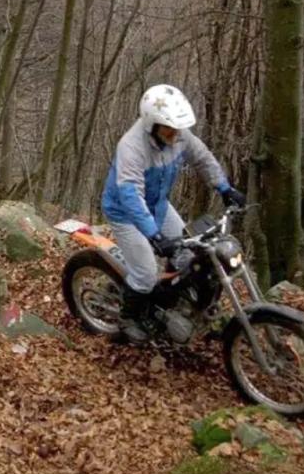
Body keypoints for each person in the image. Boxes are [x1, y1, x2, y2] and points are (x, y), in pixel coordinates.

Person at [101, 84, 246, 344]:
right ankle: (128, 319)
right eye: (168, 127)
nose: (174, 133)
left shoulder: (179, 138)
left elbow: (202, 158)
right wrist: (154, 236)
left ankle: (169, 302)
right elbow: (131, 196)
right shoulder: (131, 148)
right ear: (152, 124)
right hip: (126, 213)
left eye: (176, 127)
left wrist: (224, 188)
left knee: (188, 254)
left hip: (158, 205)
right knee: (145, 274)